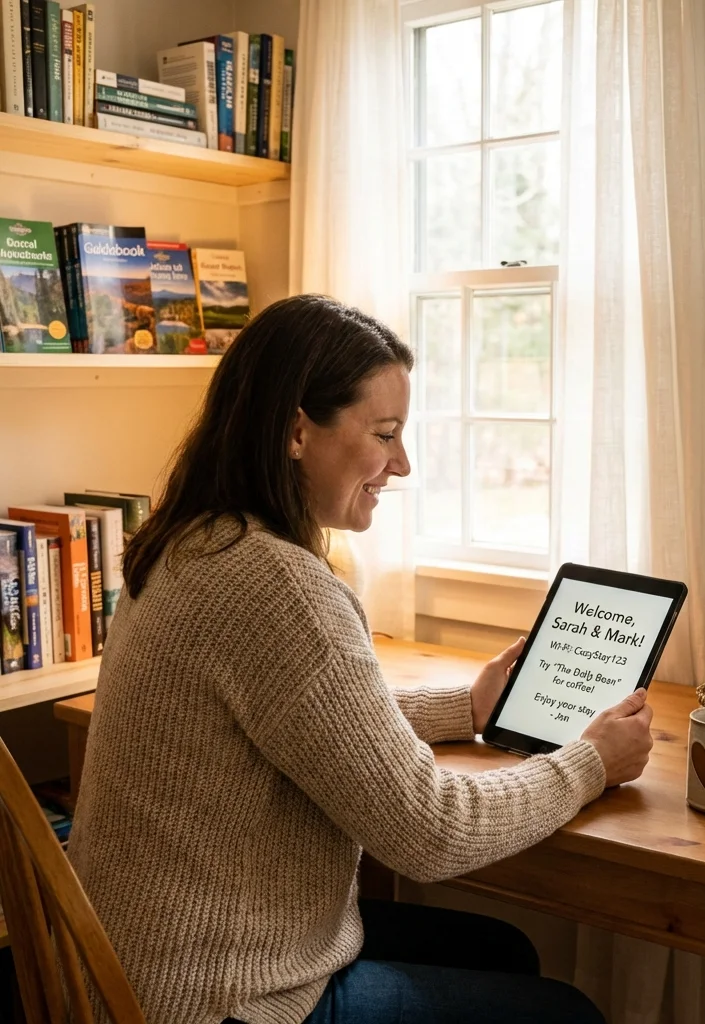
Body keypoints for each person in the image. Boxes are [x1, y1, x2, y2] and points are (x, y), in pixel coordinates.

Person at [68, 295, 655, 1024]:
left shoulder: (190, 540)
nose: (401, 463)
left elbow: (301, 723)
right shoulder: (277, 585)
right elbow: (432, 832)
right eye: (384, 433)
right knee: (563, 1012)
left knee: (499, 951)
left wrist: (466, 709)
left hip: (131, 964)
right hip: (213, 1000)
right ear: (295, 430)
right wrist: (590, 763)